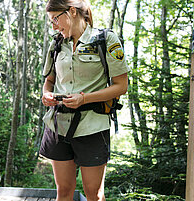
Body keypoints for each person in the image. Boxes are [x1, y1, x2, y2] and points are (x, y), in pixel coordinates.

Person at [39, 0, 129, 200]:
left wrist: (84, 98)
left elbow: (121, 86)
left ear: (72, 11)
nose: (53, 26)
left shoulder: (106, 40)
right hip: (58, 125)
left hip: (92, 126)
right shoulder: (57, 44)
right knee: (63, 190)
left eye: (55, 19)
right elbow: (49, 81)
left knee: (94, 194)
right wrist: (47, 94)